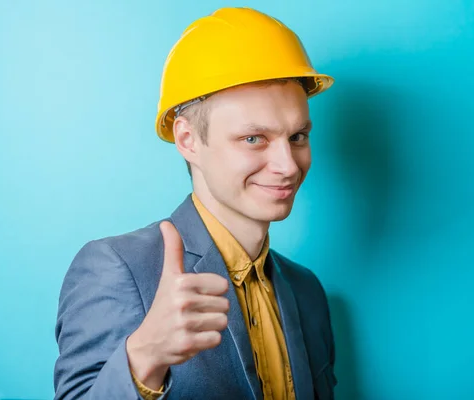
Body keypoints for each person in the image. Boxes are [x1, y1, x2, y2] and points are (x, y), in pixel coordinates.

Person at [53, 6, 337, 400]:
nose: (288, 165)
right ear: (188, 141)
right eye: (254, 138)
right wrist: (144, 357)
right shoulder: (116, 269)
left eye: (297, 137)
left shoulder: (307, 292)